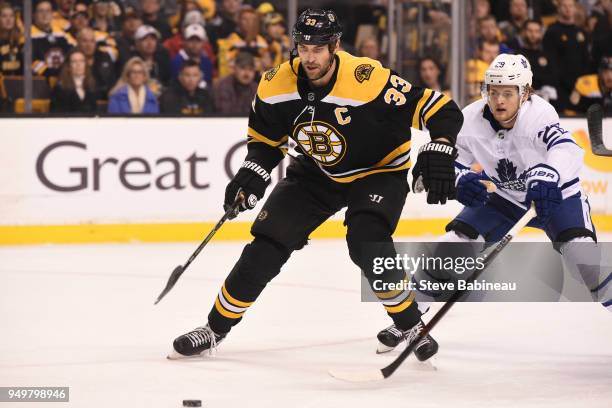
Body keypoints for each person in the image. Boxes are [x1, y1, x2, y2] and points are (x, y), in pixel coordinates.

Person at [169, 9, 463, 360]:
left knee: (367, 243)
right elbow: (265, 141)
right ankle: (214, 329)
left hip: (378, 171)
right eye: (303, 47)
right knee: (267, 243)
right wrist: (252, 171)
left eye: (318, 48)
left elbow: (441, 109)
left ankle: (411, 324)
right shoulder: (274, 84)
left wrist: (441, 143)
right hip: (316, 172)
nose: (309, 56)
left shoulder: (367, 79)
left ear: (335, 46)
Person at [377, 53, 609, 350]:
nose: (499, 100)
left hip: (555, 196)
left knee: (585, 261)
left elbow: (567, 148)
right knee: (451, 244)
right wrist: (460, 181)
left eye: (508, 93)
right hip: (505, 200)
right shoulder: (471, 119)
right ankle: (407, 321)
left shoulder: (539, 114)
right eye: (493, 91)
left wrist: (548, 174)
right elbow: (454, 162)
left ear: (525, 93)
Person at [542, 0, 590, 111]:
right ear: (558, 8)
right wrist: (564, 84)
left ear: (575, 9)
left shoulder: (581, 32)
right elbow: (551, 61)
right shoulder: (552, 31)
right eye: (564, 6)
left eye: (571, 6)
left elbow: (586, 60)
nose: (568, 9)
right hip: (560, 87)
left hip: (580, 87)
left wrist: (579, 85)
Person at [31, 0, 75, 78]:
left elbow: (75, 51)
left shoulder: (62, 34)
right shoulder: (28, 36)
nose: (45, 15)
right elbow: (32, 63)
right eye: (40, 11)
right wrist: (56, 74)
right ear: (34, 15)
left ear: (52, 14)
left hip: (64, 80)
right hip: (41, 82)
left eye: (48, 11)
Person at [76, 27, 116, 99]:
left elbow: (112, 81)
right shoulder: (72, 59)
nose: (89, 45)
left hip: (105, 100)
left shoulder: (105, 57)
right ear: (78, 43)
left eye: (92, 41)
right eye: (85, 41)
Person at [212, 51, 257, 115]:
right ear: (234, 68)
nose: (247, 73)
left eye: (250, 69)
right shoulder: (223, 86)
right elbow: (225, 114)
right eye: (243, 68)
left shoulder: (256, 88)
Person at [0, 2, 23, 75]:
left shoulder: (20, 40)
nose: (8, 19)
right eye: (4, 16)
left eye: (11, 16)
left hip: (18, 82)